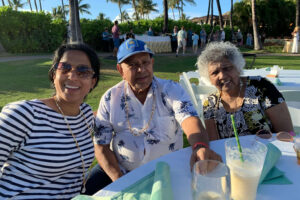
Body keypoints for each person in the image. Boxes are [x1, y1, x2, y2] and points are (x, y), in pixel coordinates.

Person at [84, 39, 221, 195]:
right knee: (82, 192)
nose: (141, 69)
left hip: (166, 171)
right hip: (121, 170)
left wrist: (200, 146)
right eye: (133, 65)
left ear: (152, 63)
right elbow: (101, 146)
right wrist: (121, 181)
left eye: (145, 62)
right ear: (120, 70)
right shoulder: (110, 98)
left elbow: (189, 118)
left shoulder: (171, 90)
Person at [0, 43, 100, 199]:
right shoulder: (23, 114)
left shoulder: (85, 114)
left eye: (83, 71)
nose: (72, 76)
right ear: (54, 75)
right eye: (64, 68)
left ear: (93, 82)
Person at [197, 42, 293, 140]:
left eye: (227, 68)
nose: (222, 76)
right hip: (232, 154)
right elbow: (214, 144)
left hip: (269, 152)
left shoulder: (261, 87)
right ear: (209, 78)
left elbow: (288, 133)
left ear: (238, 68)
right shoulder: (210, 104)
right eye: (215, 72)